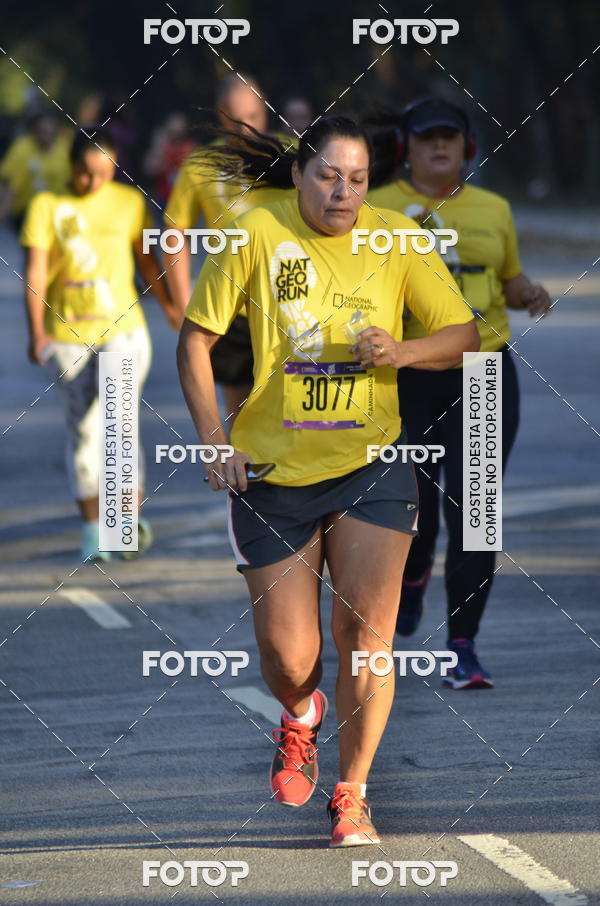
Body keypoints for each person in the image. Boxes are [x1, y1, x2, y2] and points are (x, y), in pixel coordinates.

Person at [177, 116, 479, 846]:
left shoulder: (398, 239)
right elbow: (196, 341)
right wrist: (215, 442)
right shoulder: (254, 232)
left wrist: (403, 350)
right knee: (291, 660)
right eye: (327, 176)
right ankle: (299, 713)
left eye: (358, 179)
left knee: (369, 638)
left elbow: (464, 333)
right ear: (300, 175)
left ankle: (352, 795)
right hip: (273, 469)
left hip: (371, 462)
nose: (342, 193)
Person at [367, 97, 551, 688]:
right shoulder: (376, 208)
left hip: (482, 371)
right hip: (408, 372)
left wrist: (526, 292)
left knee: (475, 512)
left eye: (450, 137)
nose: (439, 146)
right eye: (426, 138)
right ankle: (414, 574)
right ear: (405, 148)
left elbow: (508, 275)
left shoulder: (493, 208)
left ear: (468, 146)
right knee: (414, 506)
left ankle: (462, 646)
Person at [21, 128, 178, 562]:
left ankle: (122, 523)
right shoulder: (47, 206)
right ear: (71, 166)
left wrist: (168, 304)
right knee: (86, 431)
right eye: (86, 174)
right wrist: (37, 332)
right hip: (68, 333)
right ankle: (95, 529)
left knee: (120, 424)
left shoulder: (128, 202)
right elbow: (35, 273)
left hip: (122, 329)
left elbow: (145, 260)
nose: (95, 183)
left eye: (105, 173)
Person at [164, 74, 296, 421]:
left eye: (254, 116)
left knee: (289, 408)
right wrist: (182, 302)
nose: (248, 128)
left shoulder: (292, 155)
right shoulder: (200, 164)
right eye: (238, 119)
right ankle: (244, 474)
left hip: (289, 301)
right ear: (221, 116)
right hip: (229, 306)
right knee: (239, 413)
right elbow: (174, 232)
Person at [0, 113, 70, 231]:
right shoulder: (22, 148)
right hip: (22, 213)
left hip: (53, 215)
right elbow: (9, 184)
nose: (45, 137)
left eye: (49, 132)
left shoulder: (65, 153)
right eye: (41, 131)